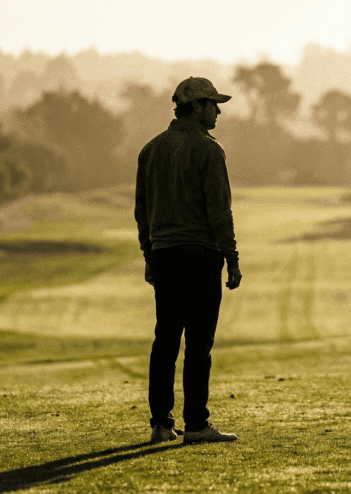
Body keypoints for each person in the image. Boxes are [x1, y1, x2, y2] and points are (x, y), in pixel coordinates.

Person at [135, 77, 242, 445]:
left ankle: (161, 425)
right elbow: (219, 212)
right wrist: (232, 258)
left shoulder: (150, 150)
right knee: (198, 344)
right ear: (196, 107)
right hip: (200, 256)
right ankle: (196, 425)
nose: (218, 111)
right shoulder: (209, 150)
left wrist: (149, 254)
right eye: (212, 104)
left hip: (164, 255)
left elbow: (142, 212)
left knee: (165, 340)